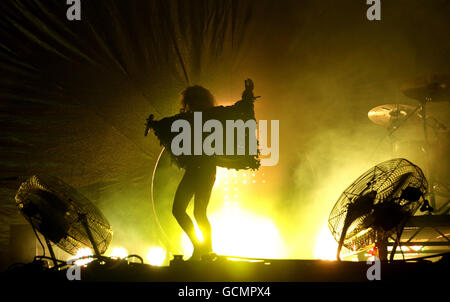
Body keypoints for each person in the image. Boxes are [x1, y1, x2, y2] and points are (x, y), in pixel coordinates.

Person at [146, 79, 258, 261]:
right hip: (196, 170)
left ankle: (205, 251)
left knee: (197, 212)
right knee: (181, 210)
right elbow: (169, 125)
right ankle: (201, 248)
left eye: (193, 100)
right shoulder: (189, 119)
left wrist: (247, 94)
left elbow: (237, 111)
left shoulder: (213, 116)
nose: (191, 104)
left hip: (205, 170)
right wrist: (155, 125)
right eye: (190, 101)